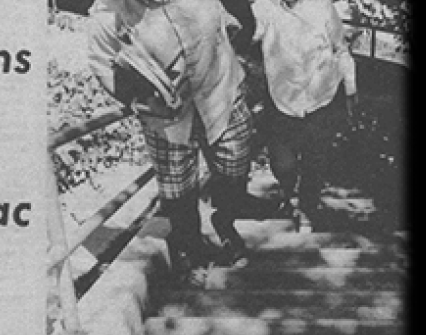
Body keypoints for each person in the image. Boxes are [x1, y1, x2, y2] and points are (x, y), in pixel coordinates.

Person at [86, 0, 270, 285]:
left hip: (222, 97)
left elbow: (239, 22)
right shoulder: (106, 16)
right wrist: (137, 101)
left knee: (234, 169)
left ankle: (224, 220)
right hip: (166, 118)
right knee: (178, 193)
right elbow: (102, 64)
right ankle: (193, 252)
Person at [241, 0, 357, 230]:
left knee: (315, 159)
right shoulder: (265, 7)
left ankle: (306, 206)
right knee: (282, 163)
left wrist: (351, 88)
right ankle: (289, 195)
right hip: (281, 98)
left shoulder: (322, 7)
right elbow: (244, 33)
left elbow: (340, 49)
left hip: (320, 97)